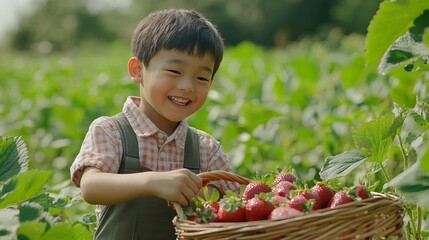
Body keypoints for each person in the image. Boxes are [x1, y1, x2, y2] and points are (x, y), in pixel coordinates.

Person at [70, 8, 238, 240]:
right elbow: (91, 186)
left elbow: (236, 203)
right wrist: (153, 182)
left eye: (201, 77)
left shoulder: (206, 148)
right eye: (174, 71)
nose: (187, 86)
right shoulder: (110, 131)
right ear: (137, 71)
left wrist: (205, 193)